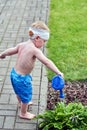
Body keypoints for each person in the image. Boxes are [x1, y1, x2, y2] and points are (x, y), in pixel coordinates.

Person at [0, 21, 64, 120]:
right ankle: (23, 113)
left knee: (18, 91)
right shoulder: (35, 50)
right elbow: (46, 62)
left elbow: (11, 50)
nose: (44, 43)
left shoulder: (22, 45)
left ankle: (21, 102)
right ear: (37, 38)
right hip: (22, 79)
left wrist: (2, 54)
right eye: (44, 41)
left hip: (14, 74)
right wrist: (58, 72)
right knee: (26, 95)